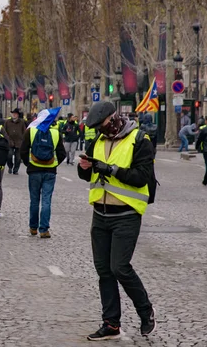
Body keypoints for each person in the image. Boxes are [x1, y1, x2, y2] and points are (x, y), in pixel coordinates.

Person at [78, 101, 156, 340]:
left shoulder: (139, 140)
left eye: (103, 127)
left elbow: (141, 177)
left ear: (114, 120)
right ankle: (111, 323)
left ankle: (146, 312)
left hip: (126, 214)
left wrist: (109, 168)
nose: (101, 132)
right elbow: (87, 175)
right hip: (100, 215)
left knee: (119, 267)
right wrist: (85, 167)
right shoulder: (97, 141)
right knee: (104, 271)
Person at [20, 113, 66, 238]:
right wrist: (54, 163)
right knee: (47, 200)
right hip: (50, 171)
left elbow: (23, 150)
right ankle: (44, 229)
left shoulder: (31, 131)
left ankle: (33, 228)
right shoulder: (56, 133)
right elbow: (62, 153)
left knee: (34, 200)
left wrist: (28, 163)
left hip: (34, 170)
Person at [2, 108, 26, 175]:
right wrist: (7, 139)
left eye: (15, 114)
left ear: (18, 115)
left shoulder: (21, 122)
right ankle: (10, 166)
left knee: (18, 158)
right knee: (9, 155)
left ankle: (16, 170)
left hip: (19, 142)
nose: (14, 115)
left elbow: (24, 132)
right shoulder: (7, 122)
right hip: (9, 141)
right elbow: (4, 132)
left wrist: (23, 140)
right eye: (13, 114)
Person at [195, 118, 207, 186]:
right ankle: (205, 180)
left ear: (206, 121)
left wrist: (197, 147)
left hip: (206, 150)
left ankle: (205, 180)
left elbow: (200, 139)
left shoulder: (204, 129)